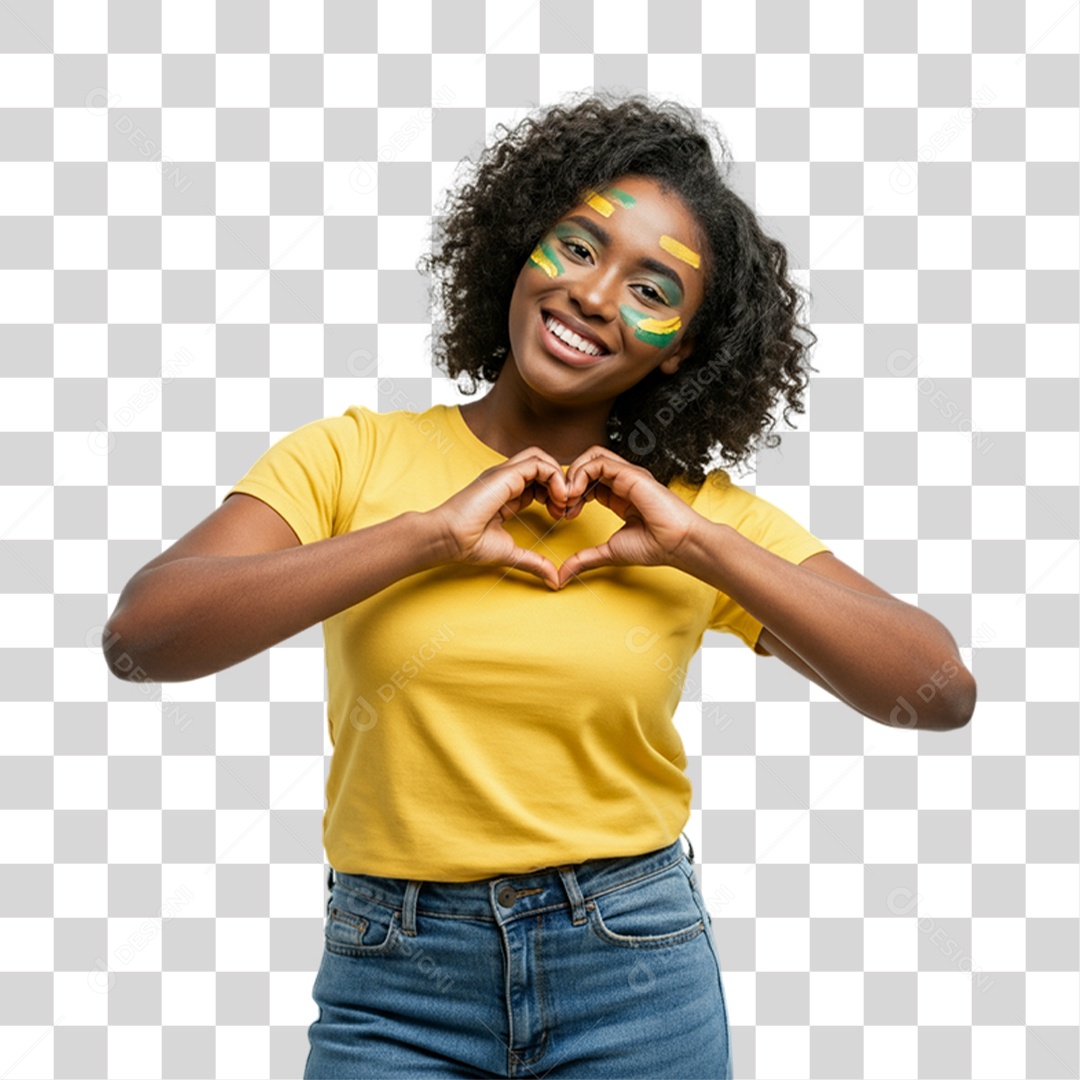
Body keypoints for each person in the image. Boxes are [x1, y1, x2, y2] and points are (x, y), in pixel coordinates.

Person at [103, 91, 977, 1079]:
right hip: (395, 985)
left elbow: (939, 692)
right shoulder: (351, 457)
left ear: (682, 347)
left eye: (653, 291)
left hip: (635, 975)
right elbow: (143, 635)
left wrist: (698, 545)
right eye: (580, 248)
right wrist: (422, 538)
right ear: (523, 250)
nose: (597, 296)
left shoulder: (693, 518)